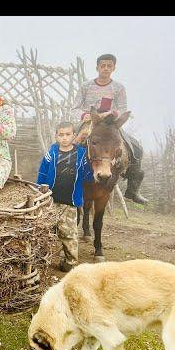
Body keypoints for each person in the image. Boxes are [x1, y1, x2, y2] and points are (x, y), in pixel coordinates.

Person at [71, 54, 148, 204]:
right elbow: (74, 108)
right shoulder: (86, 86)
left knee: (136, 147)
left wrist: (113, 114)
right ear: (97, 67)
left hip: (111, 125)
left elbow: (122, 108)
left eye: (109, 66)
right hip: (89, 122)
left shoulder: (119, 87)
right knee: (67, 141)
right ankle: (63, 177)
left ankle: (133, 190)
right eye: (103, 65)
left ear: (113, 68)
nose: (106, 68)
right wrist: (85, 115)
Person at [37, 121, 93, 272]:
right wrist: (40, 189)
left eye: (68, 134)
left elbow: (88, 174)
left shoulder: (81, 154)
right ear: (56, 136)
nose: (64, 138)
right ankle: (42, 259)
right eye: (61, 135)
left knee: (68, 233)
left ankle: (70, 262)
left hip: (70, 201)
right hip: (50, 200)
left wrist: (93, 176)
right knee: (46, 230)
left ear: (74, 136)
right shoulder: (52, 153)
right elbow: (43, 171)